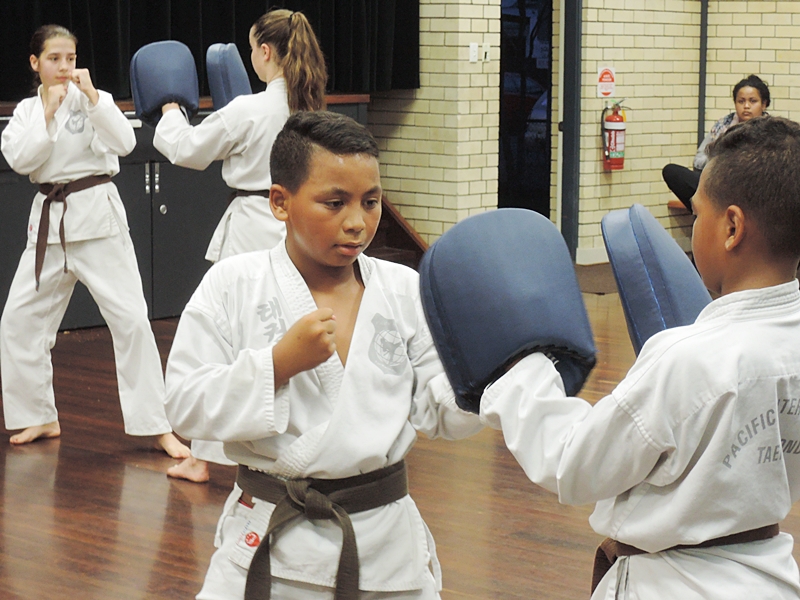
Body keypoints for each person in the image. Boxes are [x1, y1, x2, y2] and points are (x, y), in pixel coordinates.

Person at [164, 110, 483, 599]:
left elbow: (442, 412)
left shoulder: (403, 290)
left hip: (384, 545)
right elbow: (184, 402)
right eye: (334, 203)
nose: (357, 222)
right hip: (268, 540)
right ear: (279, 202)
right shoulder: (234, 284)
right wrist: (277, 365)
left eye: (371, 202)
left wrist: (492, 374)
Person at [481, 115, 800, 598]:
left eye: (698, 216)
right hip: (768, 578)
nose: (693, 230)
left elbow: (576, 463)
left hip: (672, 585)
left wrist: (520, 369)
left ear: (732, 227)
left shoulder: (687, 359)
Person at [153, 8, 327, 482]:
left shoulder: (250, 110)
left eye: (253, 48)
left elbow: (187, 150)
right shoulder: (312, 107)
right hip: (302, 232)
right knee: (288, 336)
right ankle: (299, 442)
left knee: (226, 338)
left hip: (253, 228)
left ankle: (203, 456)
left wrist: (170, 110)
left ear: (265, 52)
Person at [0, 25, 189, 457]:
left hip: (97, 220)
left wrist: (94, 99)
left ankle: (156, 425)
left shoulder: (95, 100)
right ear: (35, 63)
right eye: (54, 59)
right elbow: (22, 159)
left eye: (70, 58)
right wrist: (47, 116)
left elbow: (124, 142)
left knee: (132, 321)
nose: (65, 67)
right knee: (18, 322)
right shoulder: (28, 112)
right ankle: (40, 416)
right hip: (49, 225)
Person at [662, 74, 770, 212]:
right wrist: (718, 162)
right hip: (717, 183)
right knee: (672, 172)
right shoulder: (723, 126)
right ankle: (707, 218)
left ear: (764, 104)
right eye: (741, 101)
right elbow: (699, 160)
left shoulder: (772, 131)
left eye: (753, 101)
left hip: (750, 194)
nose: (746, 106)